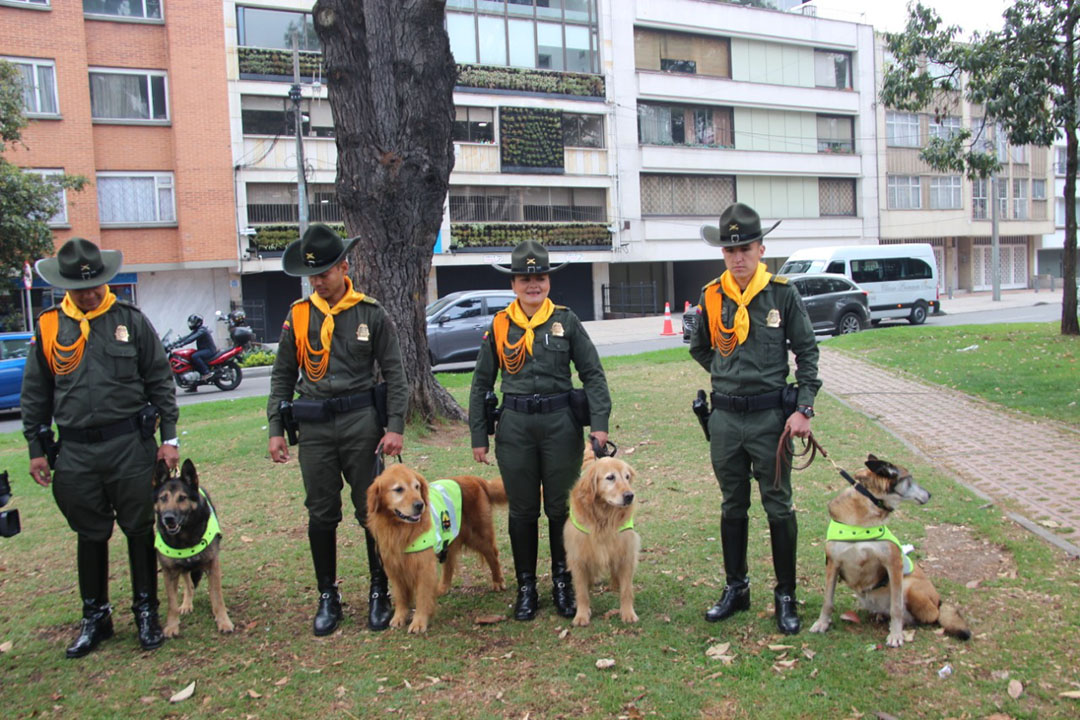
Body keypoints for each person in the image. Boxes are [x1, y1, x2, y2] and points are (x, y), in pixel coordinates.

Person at [21, 237, 180, 657]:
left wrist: (170, 439)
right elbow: (36, 392)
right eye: (80, 287)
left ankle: (146, 611)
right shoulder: (50, 326)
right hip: (75, 452)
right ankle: (96, 617)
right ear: (65, 287)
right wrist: (37, 448)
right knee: (90, 534)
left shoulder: (130, 319)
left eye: (96, 285)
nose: (90, 293)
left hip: (129, 445)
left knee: (138, 529)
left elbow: (160, 380)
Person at [266, 224, 408, 635]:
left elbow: (396, 372)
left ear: (344, 267)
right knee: (321, 512)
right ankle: (328, 595)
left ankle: (380, 591)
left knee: (373, 511)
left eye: (324, 272)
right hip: (314, 426)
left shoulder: (370, 313)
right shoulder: (298, 316)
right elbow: (282, 376)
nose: (317, 281)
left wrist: (394, 425)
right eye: (312, 275)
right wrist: (276, 426)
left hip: (360, 422)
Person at [689, 203, 821, 635]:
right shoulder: (712, 295)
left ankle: (785, 595)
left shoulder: (781, 293)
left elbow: (807, 352)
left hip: (771, 420)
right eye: (730, 250)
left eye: (745, 247)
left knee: (778, 506)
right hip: (726, 419)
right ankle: (737, 588)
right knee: (732, 504)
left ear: (761, 248)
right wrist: (727, 375)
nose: (738, 257)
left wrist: (803, 409)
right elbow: (700, 347)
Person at [468, 239, 612, 621]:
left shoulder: (567, 321)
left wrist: (599, 426)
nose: (534, 284)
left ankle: (563, 583)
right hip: (515, 427)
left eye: (540, 277)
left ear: (548, 281)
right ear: (513, 283)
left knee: (560, 509)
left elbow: (593, 374)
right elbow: (482, 382)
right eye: (525, 278)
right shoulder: (500, 325)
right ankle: (527, 586)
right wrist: (479, 436)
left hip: (559, 424)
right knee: (523, 511)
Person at [170, 313, 218, 388]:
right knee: (190, 360)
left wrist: (182, 344)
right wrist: (175, 343)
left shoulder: (202, 330)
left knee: (195, 356)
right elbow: (188, 336)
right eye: (191, 322)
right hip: (203, 350)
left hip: (209, 350)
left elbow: (192, 338)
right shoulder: (197, 330)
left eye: (192, 322)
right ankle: (193, 385)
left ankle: (206, 372)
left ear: (197, 322)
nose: (191, 324)